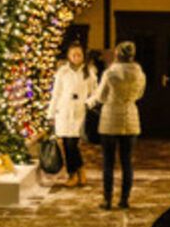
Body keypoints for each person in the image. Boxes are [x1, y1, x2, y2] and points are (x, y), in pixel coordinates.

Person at [88, 40, 146, 209]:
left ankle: (107, 200)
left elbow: (100, 97)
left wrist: (89, 103)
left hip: (110, 119)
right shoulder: (139, 74)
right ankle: (124, 199)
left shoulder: (110, 73)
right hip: (130, 118)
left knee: (108, 162)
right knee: (127, 162)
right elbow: (140, 94)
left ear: (117, 54)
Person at [46, 42, 99, 187]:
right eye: (73, 54)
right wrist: (51, 114)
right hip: (64, 111)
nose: (76, 57)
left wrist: (88, 103)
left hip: (79, 112)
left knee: (72, 144)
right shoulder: (62, 72)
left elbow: (96, 93)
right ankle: (76, 173)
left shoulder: (89, 72)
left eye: (79, 54)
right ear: (69, 56)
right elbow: (56, 94)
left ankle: (75, 172)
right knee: (67, 145)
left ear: (83, 56)